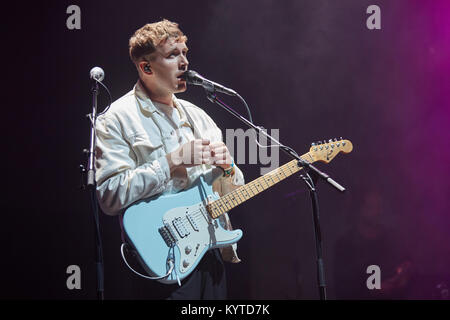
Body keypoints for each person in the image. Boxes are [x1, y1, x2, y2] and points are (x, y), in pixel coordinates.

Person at [94, 19, 245, 299]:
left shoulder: (200, 116)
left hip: (210, 253)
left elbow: (227, 192)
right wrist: (171, 162)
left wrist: (229, 169)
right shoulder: (116, 118)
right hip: (163, 258)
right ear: (146, 67)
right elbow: (109, 194)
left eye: (185, 52)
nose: (184, 62)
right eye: (173, 55)